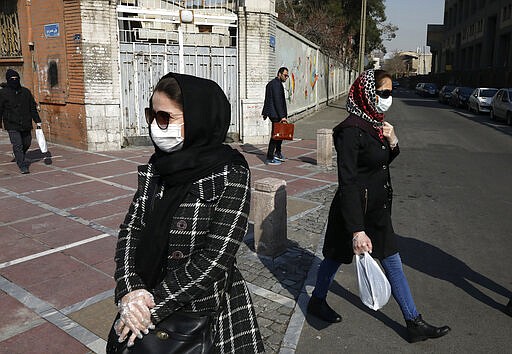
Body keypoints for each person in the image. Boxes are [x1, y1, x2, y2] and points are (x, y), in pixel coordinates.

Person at [106, 73, 264, 353]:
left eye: (165, 117)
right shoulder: (158, 165)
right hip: (142, 296)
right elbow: (132, 229)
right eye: (152, 115)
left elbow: (217, 257)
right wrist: (129, 291)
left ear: (198, 118)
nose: (156, 126)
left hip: (204, 312)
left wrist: (150, 308)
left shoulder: (231, 172)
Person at [306, 69, 451, 343]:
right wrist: (357, 231)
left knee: (392, 260)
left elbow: (377, 165)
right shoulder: (349, 131)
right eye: (383, 93)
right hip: (353, 210)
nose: (388, 98)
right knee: (335, 257)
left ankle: (413, 321)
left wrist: (393, 142)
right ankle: (317, 300)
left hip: (377, 208)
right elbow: (347, 182)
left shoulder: (375, 123)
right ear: (367, 94)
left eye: (391, 93)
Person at [0, 69, 42, 174]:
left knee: (27, 142)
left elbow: (32, 107)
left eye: (16, 78)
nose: (14, 80)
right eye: (12, 79)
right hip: (11, 123)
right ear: (8, 80)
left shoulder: (26, 92)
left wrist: (37, 121)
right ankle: (22, 165)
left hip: (25, 122)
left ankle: (19, 155)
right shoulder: (3, 93)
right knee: (17, 144)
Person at [261, 67, 289, 165]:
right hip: (276, 114)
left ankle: (277, 153)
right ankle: (269, 157)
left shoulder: (271, 83)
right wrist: (282, 116)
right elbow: (277, 101)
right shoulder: (276, 85)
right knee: (276, 136)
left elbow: (267, 99)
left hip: (274, 113)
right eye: (285, 75)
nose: (286, 77)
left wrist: (265, 112)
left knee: (279, 134)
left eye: (287, 76)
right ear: (279, 74)